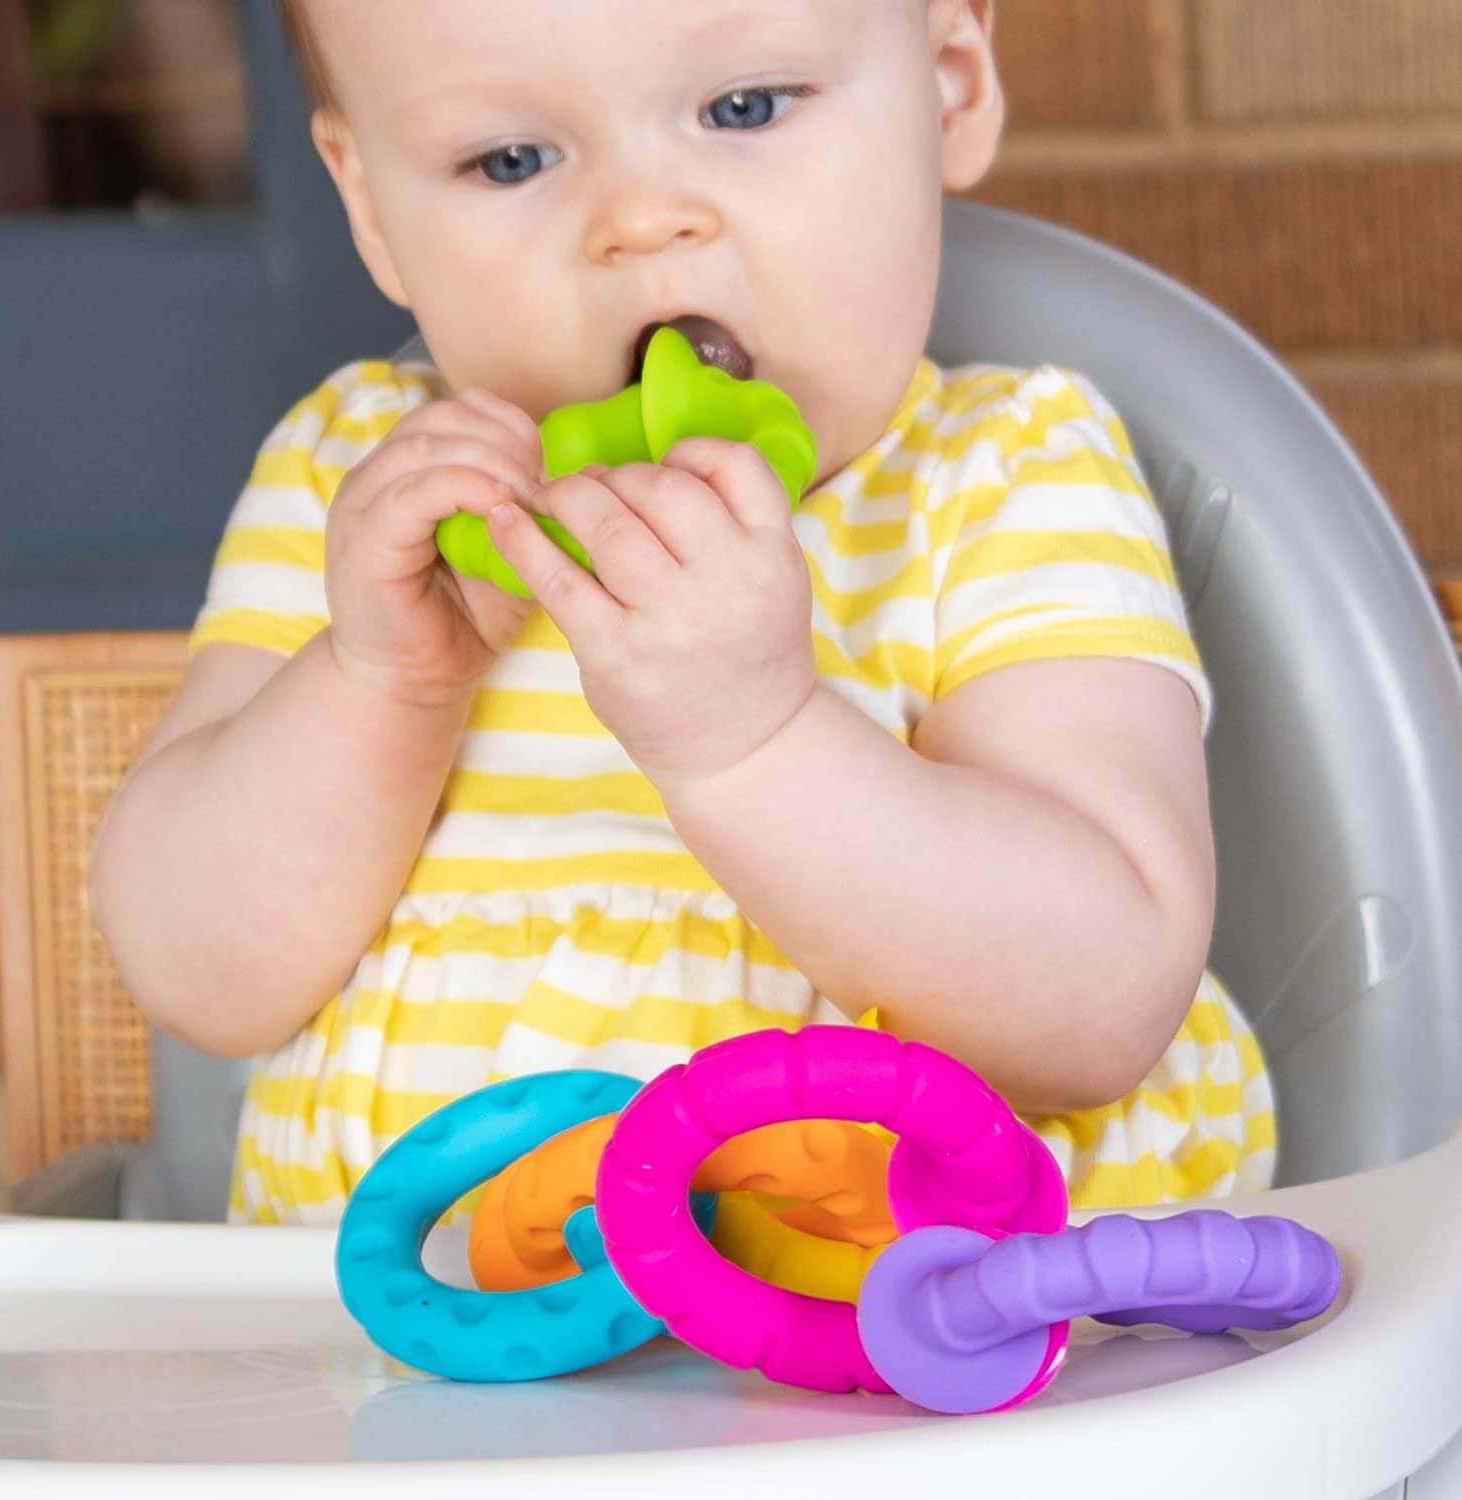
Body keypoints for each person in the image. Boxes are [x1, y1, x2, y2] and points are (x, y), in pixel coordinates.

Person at [89, 0, 1275, 1236]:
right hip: (412, 1361)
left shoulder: (1002, 479)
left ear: (949, 84)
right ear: (375, 209)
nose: (641, 221)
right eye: (511, 159)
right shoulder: (360, 488)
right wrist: (382, 679)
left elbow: (1101, 1000)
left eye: (744, 108)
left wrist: (753, 738)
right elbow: (191, 972)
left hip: (909, 1355)